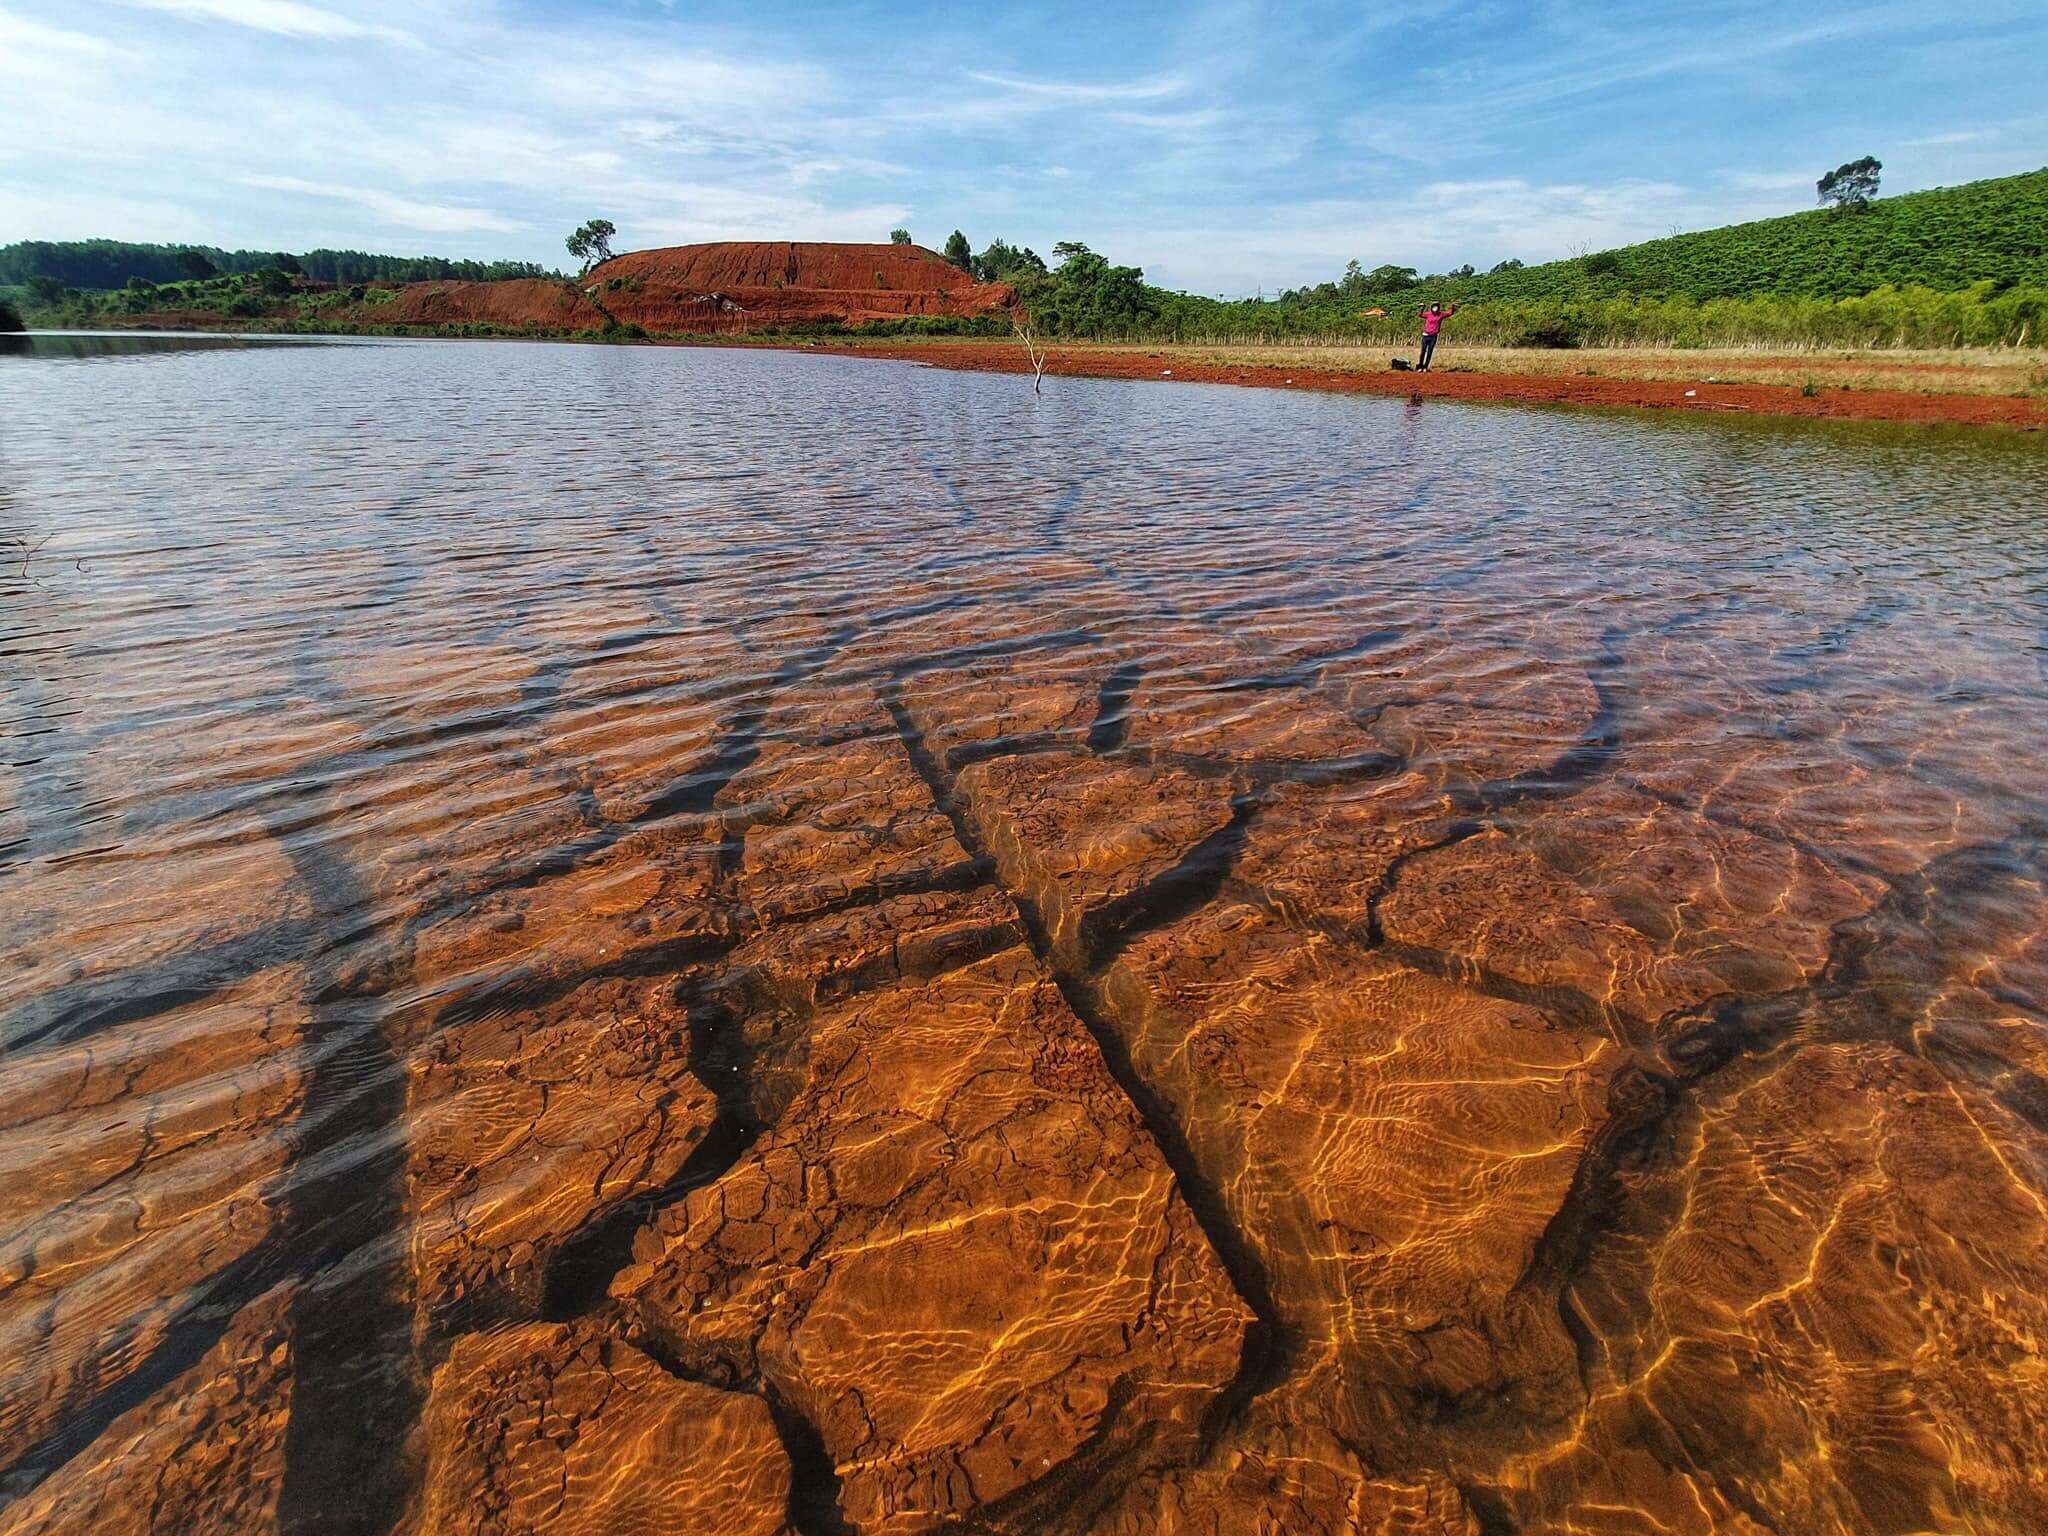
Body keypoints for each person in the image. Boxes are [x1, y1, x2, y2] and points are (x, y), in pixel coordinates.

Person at [1416, 301, 1456, 371]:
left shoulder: (1441, 314)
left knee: (1429, 352)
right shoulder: (1428, 314)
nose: (1435, 308)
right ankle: (1420, 366)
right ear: (1431, 307)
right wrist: (1422, 308)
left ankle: (1425, 367)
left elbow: (1450, 313)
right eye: (1434, 306)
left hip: (1433, 337)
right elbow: (1420, 315)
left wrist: (1452, 307)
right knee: (1423, 351)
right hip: (1425, 336)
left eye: (1437, 306)